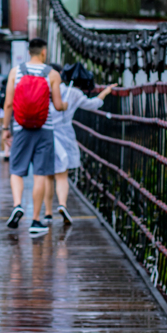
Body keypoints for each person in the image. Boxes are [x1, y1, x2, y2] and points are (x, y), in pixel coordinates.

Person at [2, 38, 66, 235]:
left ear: (29, 52)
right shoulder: (53, 74)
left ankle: (17, 204)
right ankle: (36, 221)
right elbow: (57, 105)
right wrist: (65, 105)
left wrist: (6, 128)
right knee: (40, 174)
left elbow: (8, 104)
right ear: (44, 52)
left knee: (16, 170)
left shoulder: (16, 71)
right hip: (44, 129)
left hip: (21, 128)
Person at [43, 69, 115, 225]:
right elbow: (93, 104)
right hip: (65, 136)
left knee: (48, 177)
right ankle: (62, 204)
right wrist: (105, 92)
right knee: (62, 176)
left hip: (46, 135)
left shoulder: (45, 89)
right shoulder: (74, 93)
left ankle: (47, 213)